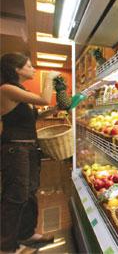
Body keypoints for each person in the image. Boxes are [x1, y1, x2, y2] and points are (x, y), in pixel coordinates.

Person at [0, 53, 61, 253]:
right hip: (15, 149)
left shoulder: (22, 91)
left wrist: (54, 110)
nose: (33, 69)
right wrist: (50, 77)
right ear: (17, 69)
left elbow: (37, 114)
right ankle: (6, 245)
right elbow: (44, 98)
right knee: (15, 196)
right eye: (29, 65)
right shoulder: (7, 89)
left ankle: (27, 234)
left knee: (29, 193)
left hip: (29, 148)